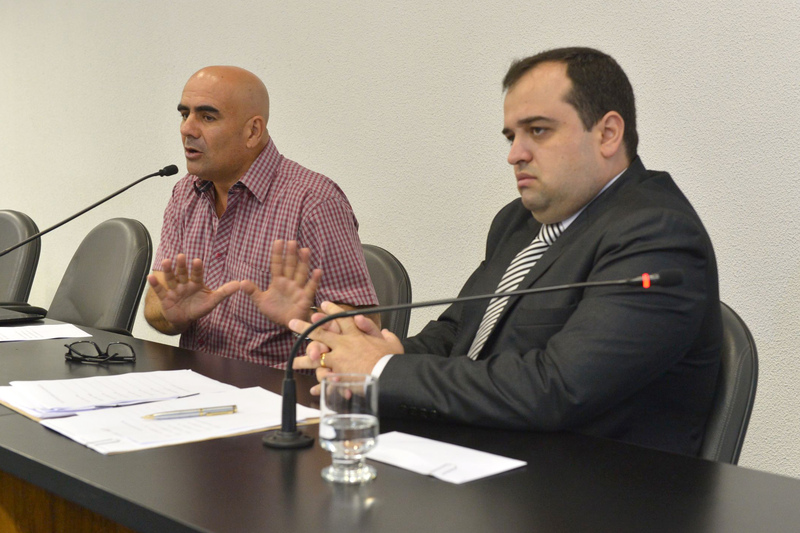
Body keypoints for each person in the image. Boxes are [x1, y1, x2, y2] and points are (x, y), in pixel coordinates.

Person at [292, 47, 722, 457]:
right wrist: (381, 352)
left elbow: (557, 388)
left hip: (598, 487)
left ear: (608, 134)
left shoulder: (656, 235)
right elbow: (458, 332)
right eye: (511, 136)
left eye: (538, 131)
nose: (515, 154)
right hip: (486, 457)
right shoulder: (518, 221)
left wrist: (383, 369)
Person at [145, 66, 378, 367]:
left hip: (278, 388)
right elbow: (155, 307)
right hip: (194, 381)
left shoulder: (313, 202)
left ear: (253, 131)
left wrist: (305, 320)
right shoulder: (185, 194)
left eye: (207, 117)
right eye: (184, 114)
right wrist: (172, 315)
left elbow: (364, 333)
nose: (187, 129)